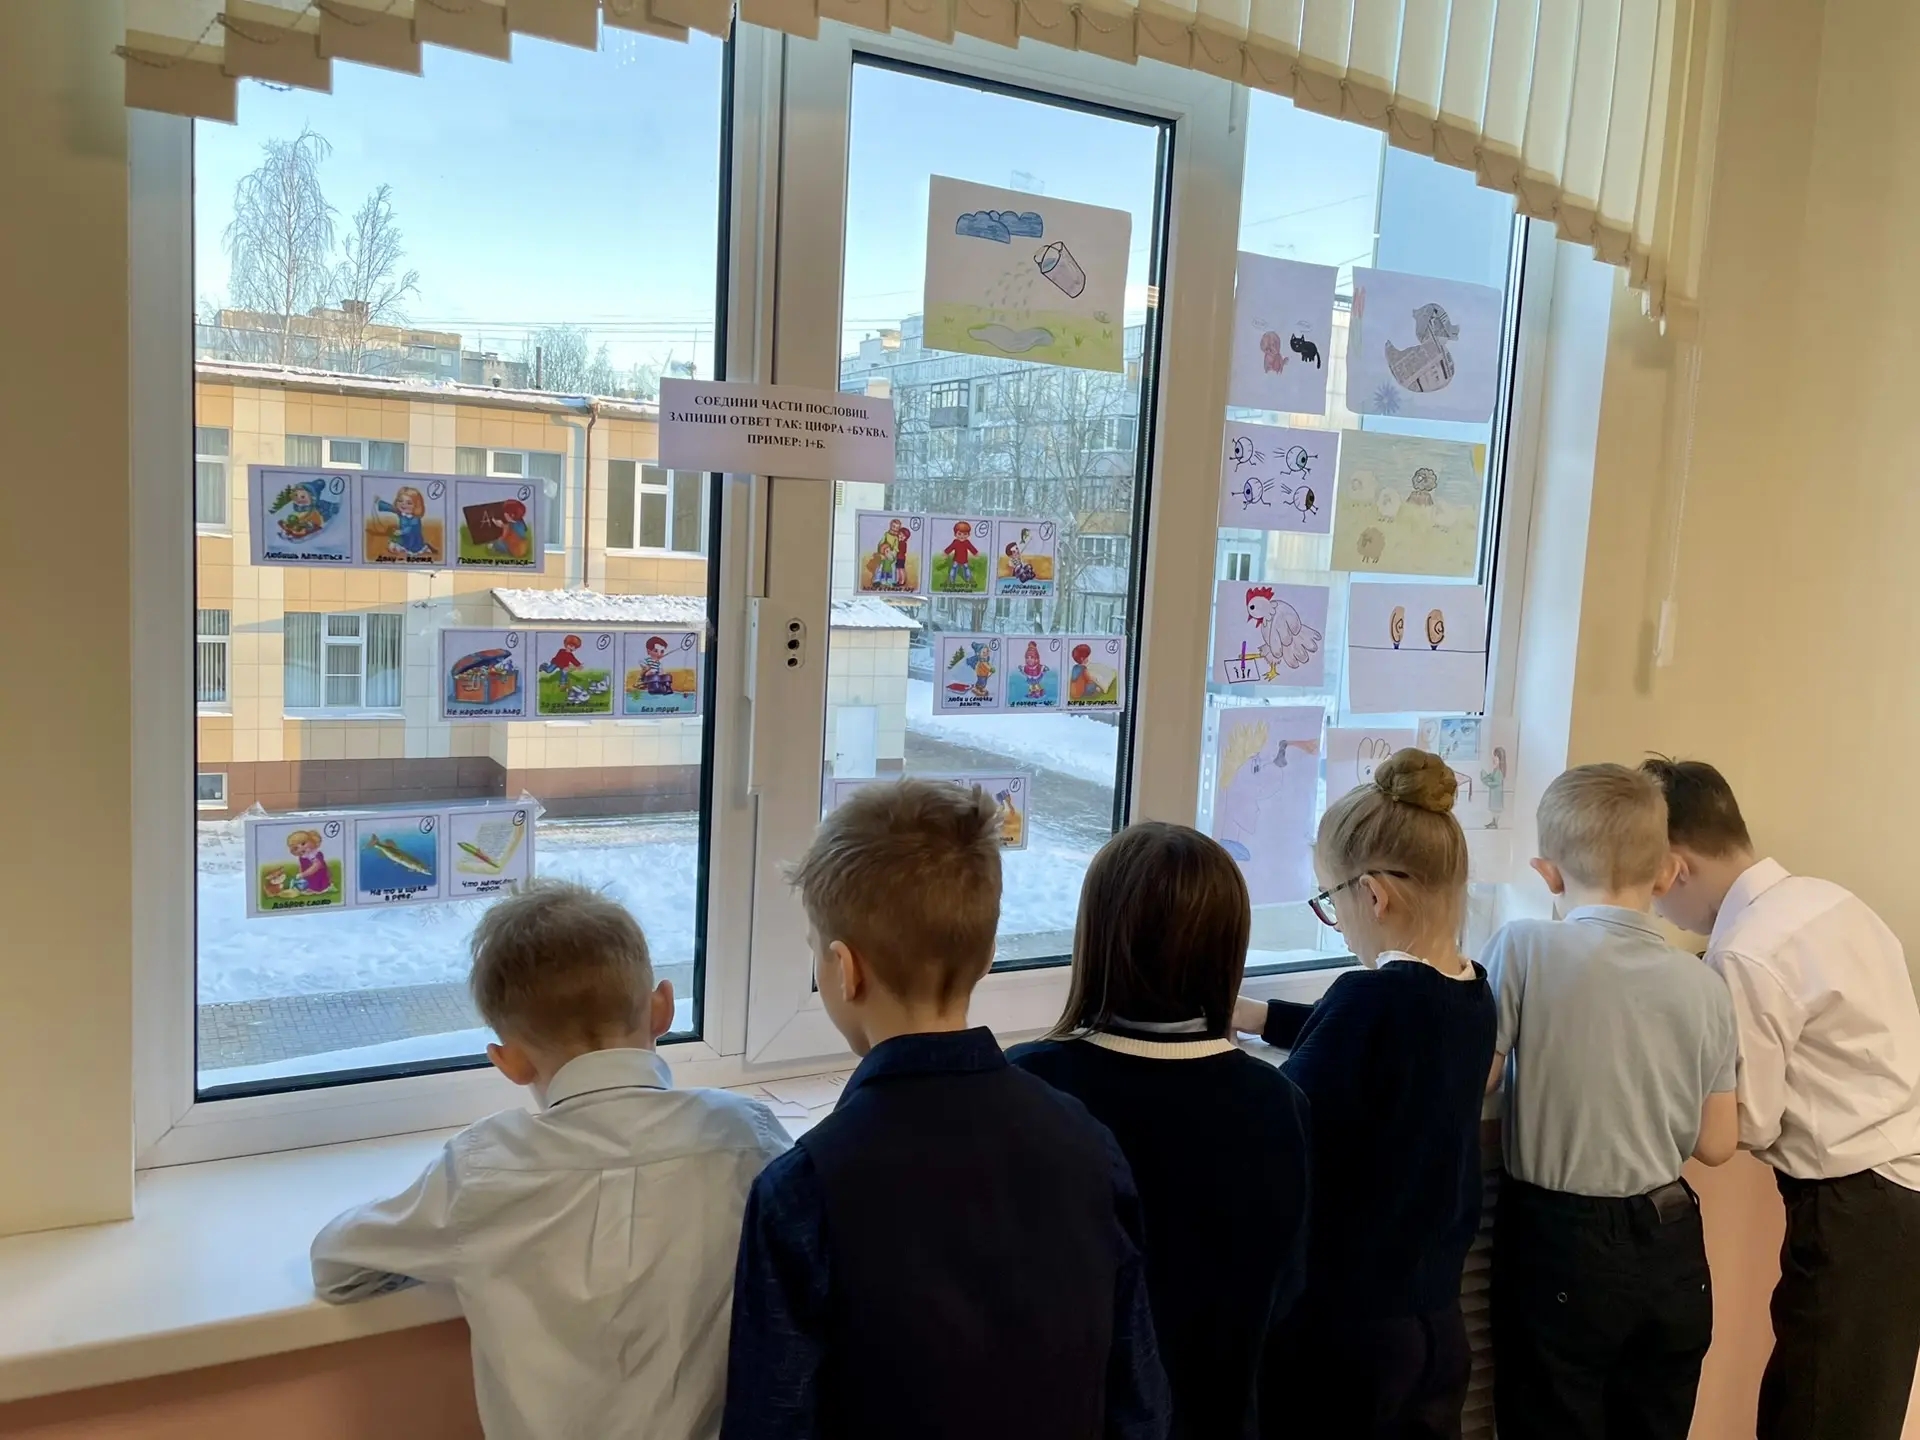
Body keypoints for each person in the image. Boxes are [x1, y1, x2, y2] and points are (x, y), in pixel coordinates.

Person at [721, 779, 1170, 1440]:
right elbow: (1139, 1401)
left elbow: (772, 1421)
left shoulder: (802, 1188)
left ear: (844, 970)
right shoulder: (1089, 1144)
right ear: (987, 956)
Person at [311, 882, 790, 1440]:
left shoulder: (482, 1170)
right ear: (662, 1008)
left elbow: (337, 1267)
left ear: (509, 1062)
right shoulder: (743, 1136)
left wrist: (456, 1249)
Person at [1642, 757, 1920, 1440]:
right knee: (1851, 1404)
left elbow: (1750, 1122)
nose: (1658, 908)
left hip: (1857, 1208)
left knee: (1818, 1413)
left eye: (1651, 888)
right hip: (1900, 1188)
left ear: (1675, 867)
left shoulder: (1746, 952)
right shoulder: (1832, 900)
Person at [1010, 822, 1312, 1439]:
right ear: (1229, 949)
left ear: (1096, 939)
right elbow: (1286, 1290)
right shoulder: (1277, 1103)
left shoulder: (1032, 1085)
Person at [1230, 749, 1496, 1440]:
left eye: (1330, 901)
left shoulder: (1368, 998)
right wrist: (1262, 1016)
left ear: (1373, 896)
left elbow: (1283, 1120)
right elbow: (1383, 1046)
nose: (1336, 920)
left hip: (1350, 1332)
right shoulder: (1472, 993)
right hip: (1435, 1323)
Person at [1484, 764, 1739, 1440]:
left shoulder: (1524, 947)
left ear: (1547, 874)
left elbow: (1478, 1076)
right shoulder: (1705, 984)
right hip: (1673, 1247)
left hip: (1560, 1244)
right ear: (1666, 873)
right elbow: (1717, 1144)